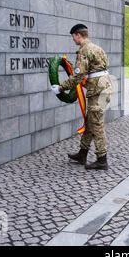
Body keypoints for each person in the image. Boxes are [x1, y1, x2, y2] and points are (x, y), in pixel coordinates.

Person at [51, 24, 113, 170]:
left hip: (98, 91)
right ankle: (82, 153)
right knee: (90, 121)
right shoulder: (98, 48)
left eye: (73, 37)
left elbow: (78, 76)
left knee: (96, 124)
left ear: (78, 35)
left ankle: (102, 160)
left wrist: (61, 87)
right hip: (103, 88)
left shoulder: (84, 51)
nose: (73, 39)